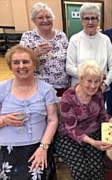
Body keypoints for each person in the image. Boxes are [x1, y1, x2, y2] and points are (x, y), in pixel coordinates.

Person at [55, 60, 112, 179]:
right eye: (89, 81)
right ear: (81, 79)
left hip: (93, 132)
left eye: (96, 81)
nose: (93, 85)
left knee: (97, 171)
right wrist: (93, 143)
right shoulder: (68, 97)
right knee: (80, 173)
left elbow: (102, 115)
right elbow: (71, 128)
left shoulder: (98, 92)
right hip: (68, 137)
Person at [0, 45, 58, 179]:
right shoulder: (2, 89)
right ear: (11, 66)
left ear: (34, 65)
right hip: (7, 147)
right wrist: (4, 120)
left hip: (37, 146)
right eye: (16, 62)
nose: (21, 66)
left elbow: (52, 120)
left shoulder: (46, 90)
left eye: (25, 62)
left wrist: (43, 147)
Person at [20, 2, 69, 97]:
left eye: (48, 17)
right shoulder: (28, 37)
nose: (45, 20)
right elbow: (21, 63)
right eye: (40, 18)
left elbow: (68, 58)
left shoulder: (61, 35)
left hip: (62, 87)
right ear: (34, 20)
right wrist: (35, 54)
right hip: (39, 88)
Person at [66, 3, 112, 94]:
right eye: (86, 18)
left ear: (98, 20)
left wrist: (105, 84)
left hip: (100, 89)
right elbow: (69, 67)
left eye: (93, 18)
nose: (90, 22)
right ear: (81, 21)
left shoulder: (105, 39)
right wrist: (93, 77)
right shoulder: (75, 39)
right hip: (80, 89)